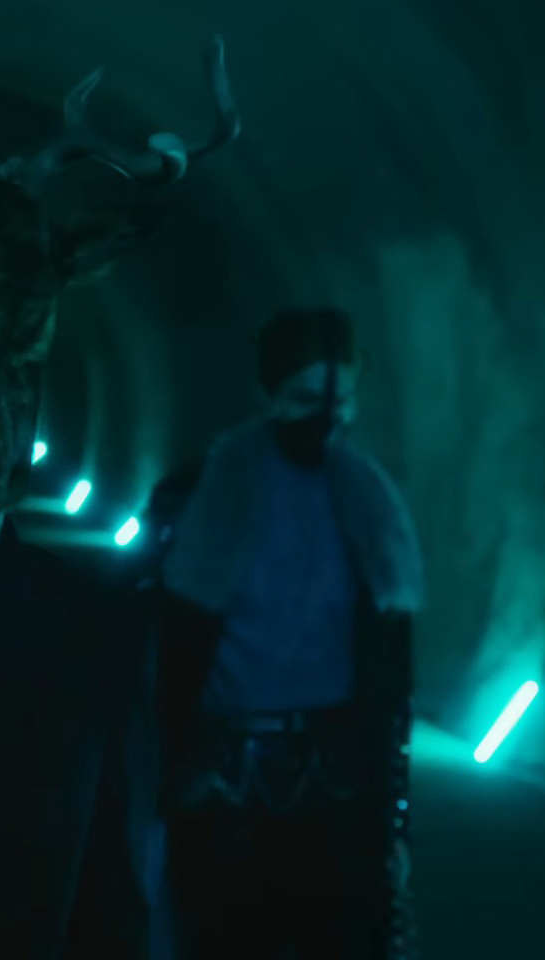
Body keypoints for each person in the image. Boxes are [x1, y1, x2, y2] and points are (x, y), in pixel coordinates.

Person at [144, 308, 425, 960]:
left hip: (340, 782)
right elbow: (174, 647)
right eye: (305, 398)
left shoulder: (366, 500)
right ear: (267, 391)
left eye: (340, 401)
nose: (325, 418)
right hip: (224, 780)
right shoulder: (211, 492)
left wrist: (392, 816)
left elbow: (390, 671)